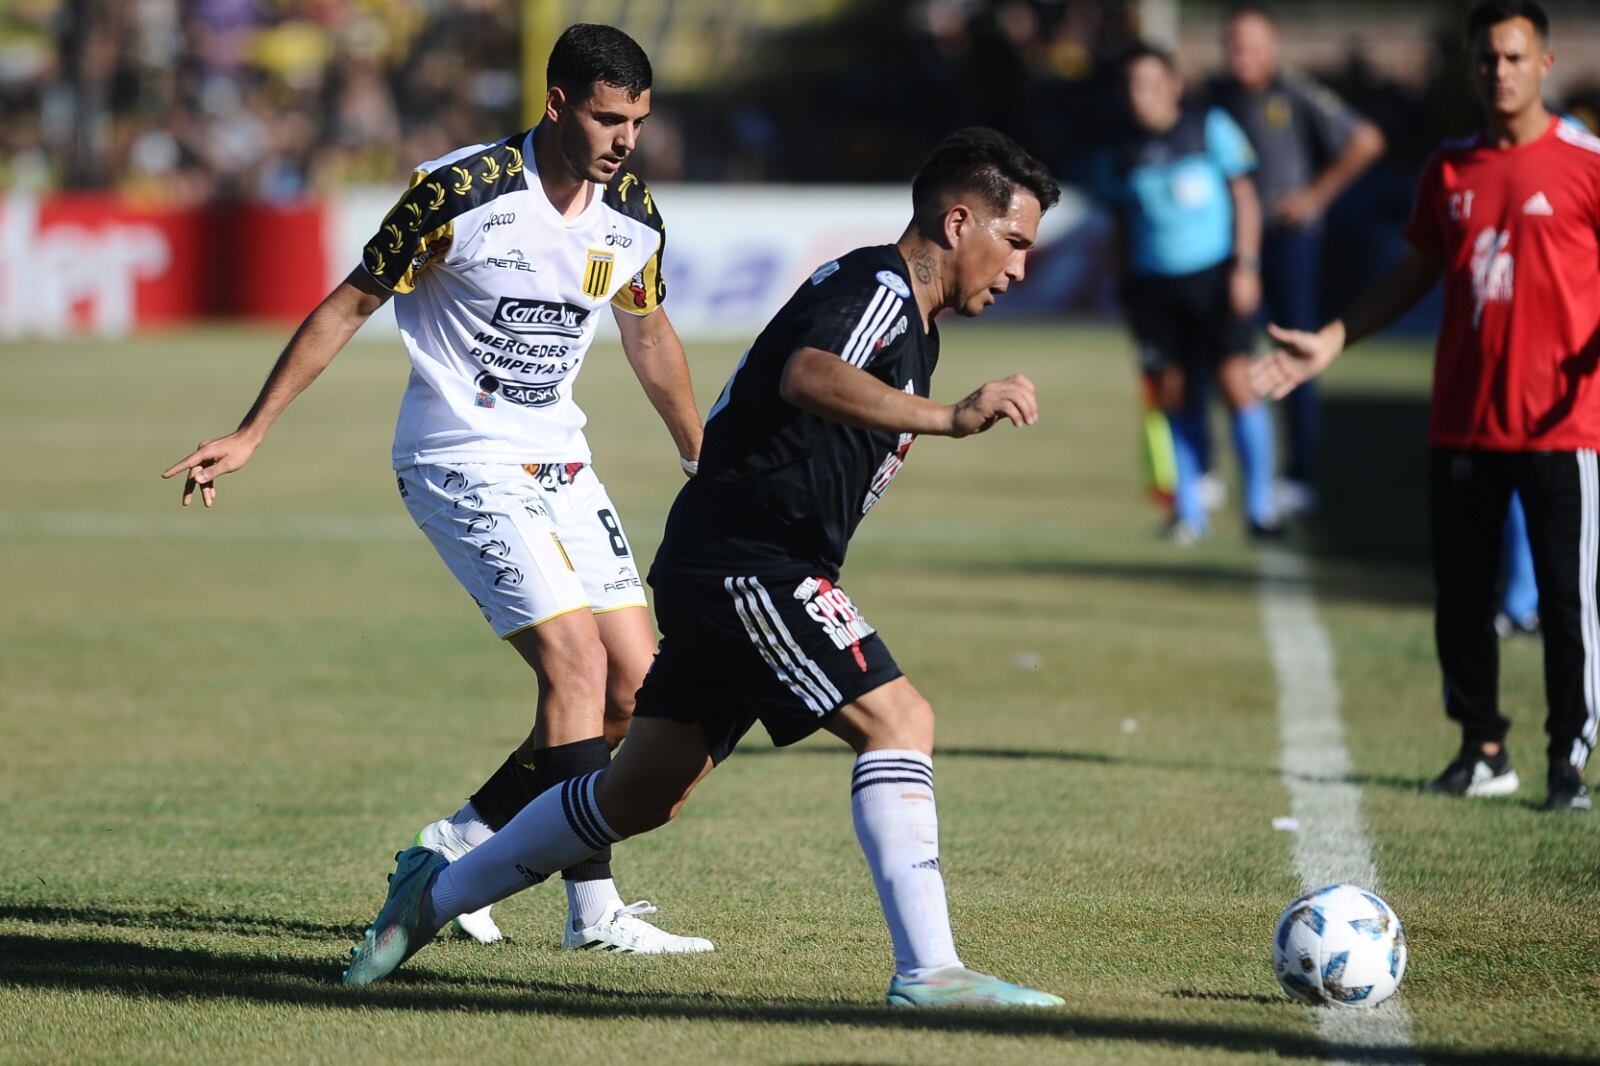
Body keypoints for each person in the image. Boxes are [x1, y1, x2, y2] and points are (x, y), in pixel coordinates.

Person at [341, 127, 1067, 1008]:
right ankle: (930, 971)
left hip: (724, 561)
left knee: (641, 793)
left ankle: (431, 894)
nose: (1020, 268)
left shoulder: (909, 317)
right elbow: (807, 373)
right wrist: (948, 417)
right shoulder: (880, 287)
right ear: (959, 222)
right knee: (899, 720)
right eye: (1016, 242)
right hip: (750, 562)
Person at [161, 24, 717, 949]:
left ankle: (457, 845)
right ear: (557, 104)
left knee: (633, 691)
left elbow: (648, 332)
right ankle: (594, 914)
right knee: (574, 668)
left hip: (561, 460)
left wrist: (701, 456)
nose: (626, 141)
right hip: (458, 454)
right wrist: (254, 430)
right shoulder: (460, 190)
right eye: (609, 118)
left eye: (637, 123)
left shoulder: (632, 214)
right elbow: (349, 303)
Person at [1253, 0, 1597, 812]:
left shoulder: (1586, 163)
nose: (1500, 73)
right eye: (1486, 59)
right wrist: (1333, 338)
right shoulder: (1449, 168)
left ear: (1543, 63)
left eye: (1514, 57)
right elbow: (1413, 274)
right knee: (1464, 598)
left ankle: (1568, 761)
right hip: (1465, 421)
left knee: (1565, 599)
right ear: (1471, 67)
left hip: (1563, 426)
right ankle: (1482, 747)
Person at [1095, 44, 1277, 544]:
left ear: (1174, 85)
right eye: (1133, 86)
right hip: (1154, 288)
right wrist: (1124, 289)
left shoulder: (1209, 128)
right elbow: (1120, 228)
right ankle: (1190, 511)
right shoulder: (1118, 154)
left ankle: (1261, 506)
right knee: (1174, 396)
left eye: (1152, 84)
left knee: (1238, 384)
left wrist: (1246, 266)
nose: (1142, 96)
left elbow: (1245, 198)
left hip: (1218, 279)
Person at [1213, 3, 1386, 514]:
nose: (1240, 53)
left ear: (1272, 48)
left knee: (1294, 354)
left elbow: (1367, 139)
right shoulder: (1219, 100)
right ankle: (1231, 471)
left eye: (1250, 44)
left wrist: (1315, 196)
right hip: (1237, 248)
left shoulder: (1295, 91)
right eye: (1233, 44)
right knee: (1229, 356)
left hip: (1291, 243)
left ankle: (1300, 473)